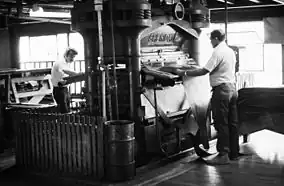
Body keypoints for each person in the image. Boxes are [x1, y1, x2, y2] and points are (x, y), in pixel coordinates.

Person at [164, 29, 240, 165]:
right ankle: (234, 152)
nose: (210, 42)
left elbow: (204, 70)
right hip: (232, 89)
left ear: (216, 38)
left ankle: (223, 154)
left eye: (211, 39)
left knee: (221, 123)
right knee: (232, 123)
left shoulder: (218, 52)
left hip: (221, 91)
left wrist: (183, 72)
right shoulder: (229, 51)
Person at [51, 47, 79, 113]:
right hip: (59, 90)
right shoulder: (60, 63)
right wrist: (77, 74)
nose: (73, 59)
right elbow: (67, 71)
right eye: (71, 57)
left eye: (74, 57)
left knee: (67, 109)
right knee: (64, 111)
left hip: (65, 89)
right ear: (66, 55)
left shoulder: (67, 64)